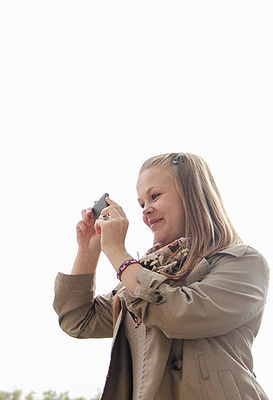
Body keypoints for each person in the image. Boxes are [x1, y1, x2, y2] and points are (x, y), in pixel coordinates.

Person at [53, 153, 268, 399]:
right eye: (141, 204)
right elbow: (79, 320)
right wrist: (89, 252)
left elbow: (181, 314)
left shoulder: (243, 262)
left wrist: (118, 255)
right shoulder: (142, 275)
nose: (146, 210)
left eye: (155, 196)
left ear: (192, 195)